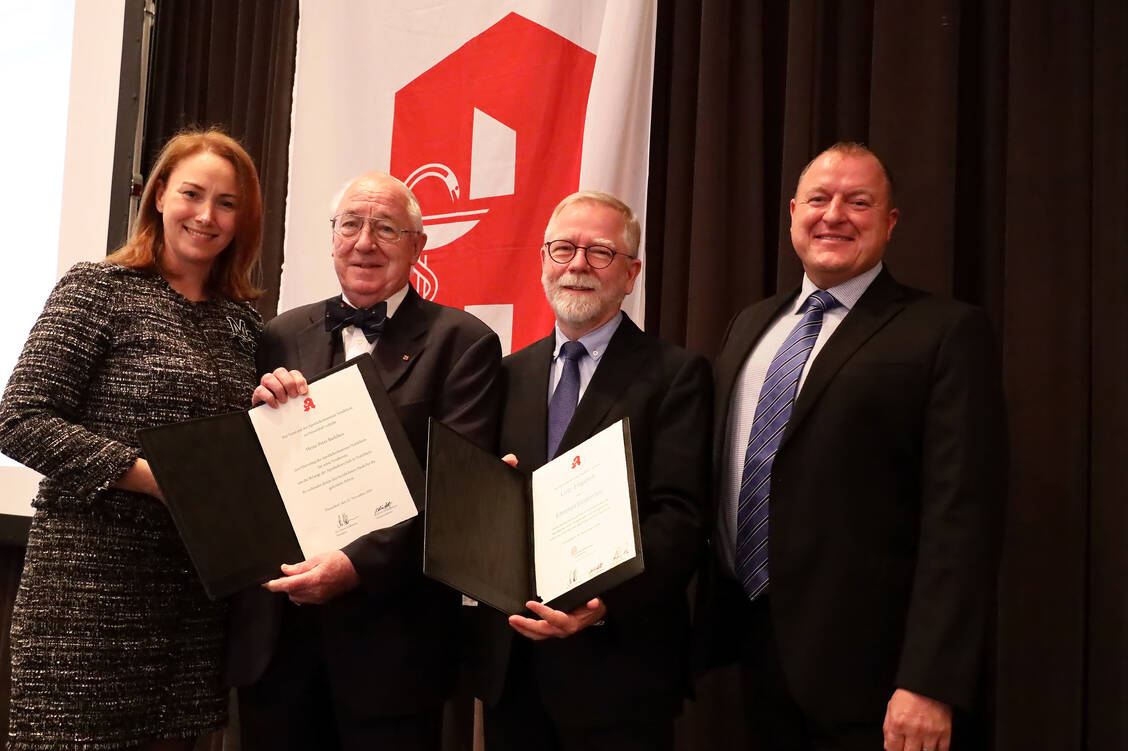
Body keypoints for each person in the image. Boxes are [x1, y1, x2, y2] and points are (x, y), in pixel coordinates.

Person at [697, 142, 1007, 751]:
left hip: (877, 679)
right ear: (792, 214)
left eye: (858, 202)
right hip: (752, 654)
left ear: (889, 223)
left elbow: (962, 520)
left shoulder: (945, 332)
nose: (834, 214)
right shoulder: (749, 325)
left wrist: (929, 681)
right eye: (819, 198)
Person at [0, 129, 264, 750]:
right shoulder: (99, 288)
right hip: (86, 600)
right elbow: (20, 418)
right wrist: (153, 477)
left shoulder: (244, 322)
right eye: (192, 194)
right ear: (158, 198)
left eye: (226, 203)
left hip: (191, 608)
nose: (206, 215)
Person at [226, 171, 501, 751]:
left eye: (386, 228)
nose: (364, 242)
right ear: (331, 238)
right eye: (350, 224)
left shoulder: (462, 342)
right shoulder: (277, 334)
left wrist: (355, 566)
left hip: (393, 649)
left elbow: (452, 492)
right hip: (279, 642)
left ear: (418, 245)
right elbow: (252, 475)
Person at [470, 191, 711, 751]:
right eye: (563, 249)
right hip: (514, 668)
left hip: (620, 670)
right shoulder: (505, 374)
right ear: (542, 262)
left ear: (631, 273)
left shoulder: (676, 375)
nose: (577, 264)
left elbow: (679, 519)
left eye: (600, 252)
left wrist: (598, 603)